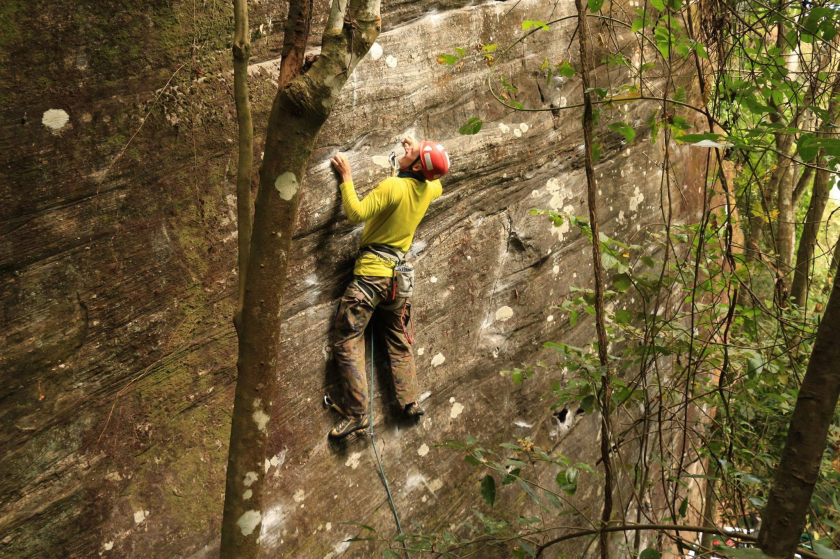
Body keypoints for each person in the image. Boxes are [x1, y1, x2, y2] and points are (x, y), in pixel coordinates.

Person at [328, 136, 450, 439]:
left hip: (370, 277)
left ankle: (358, 415)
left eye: (415, 151)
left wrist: (346, 177)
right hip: (398, 282)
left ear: (419, 164)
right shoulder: (431, 188)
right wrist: (415, 157)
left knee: (347, 338)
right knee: (397, 339)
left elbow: (355, 213)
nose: (408, 148)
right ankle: (410, 402)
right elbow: (435, 178)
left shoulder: (392, 187)